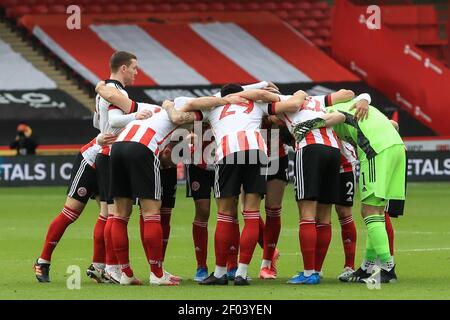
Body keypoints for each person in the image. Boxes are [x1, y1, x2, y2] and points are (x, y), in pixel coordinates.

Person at [293, 94, 405, 284]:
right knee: (377, 211)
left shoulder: (328, 110)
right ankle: (367, 267)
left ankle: (387, 268)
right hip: (397, 148)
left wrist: (311, 123)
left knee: (369, 211)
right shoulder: (356, 106)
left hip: (376, 152)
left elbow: (338, 117)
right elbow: (393, 125)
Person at [33, 133, 116, 282]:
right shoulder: (134, 112)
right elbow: (104, 122)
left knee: (109, 215)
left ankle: (98, 268)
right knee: (70, 213)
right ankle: (43, 261)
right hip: (90, 161)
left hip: (108, 163)